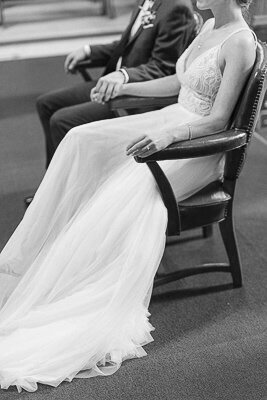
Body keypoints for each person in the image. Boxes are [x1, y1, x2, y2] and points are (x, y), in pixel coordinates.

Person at [0, 0, 256, 393]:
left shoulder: (240, 42)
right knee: (79, 138)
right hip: (172, 117)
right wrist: (123, 86)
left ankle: (75, 278)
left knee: (123, 188)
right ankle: (41, 247)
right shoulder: (207, 29)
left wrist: (170, 136)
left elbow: (220, 120)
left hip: (197, 146)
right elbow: (177, 83)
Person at [37, 0, 195, 168]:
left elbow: (163, 67)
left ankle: (66, 188)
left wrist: (123, 76)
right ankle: (51, 181)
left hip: (136, 96)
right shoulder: (148, 1)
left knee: (61, 120)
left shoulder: (176, 7)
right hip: (113, 84)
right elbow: (126, 46)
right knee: (46, 104)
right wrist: (88, 50)